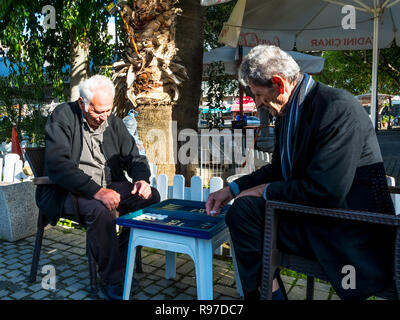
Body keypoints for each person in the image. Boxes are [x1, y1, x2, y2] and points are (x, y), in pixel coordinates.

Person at [206, 45, 396, 300]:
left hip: (351, 227)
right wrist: (232, 189)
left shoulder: (337, 107)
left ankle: (267, 294)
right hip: (315, 215)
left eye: (260, 95)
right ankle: (268, 292)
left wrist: (262, 191)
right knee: (243, 213)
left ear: (279, 83)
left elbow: (326, 190)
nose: (259, 103)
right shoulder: (289, 111)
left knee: (245, 213)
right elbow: (277, 169)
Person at [36, 75, 160, 300]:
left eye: (108, 110)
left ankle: (121, 260)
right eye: (98, 112)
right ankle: (112, 279)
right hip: (67, 189)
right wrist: (97, 192)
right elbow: (58, 165)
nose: (104, 118)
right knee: (99, 211)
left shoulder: (111, 121)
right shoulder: (62, 116)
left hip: (108, 184)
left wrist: (142, 179)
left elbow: (134, 156)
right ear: (83, 103)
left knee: (150, 198)